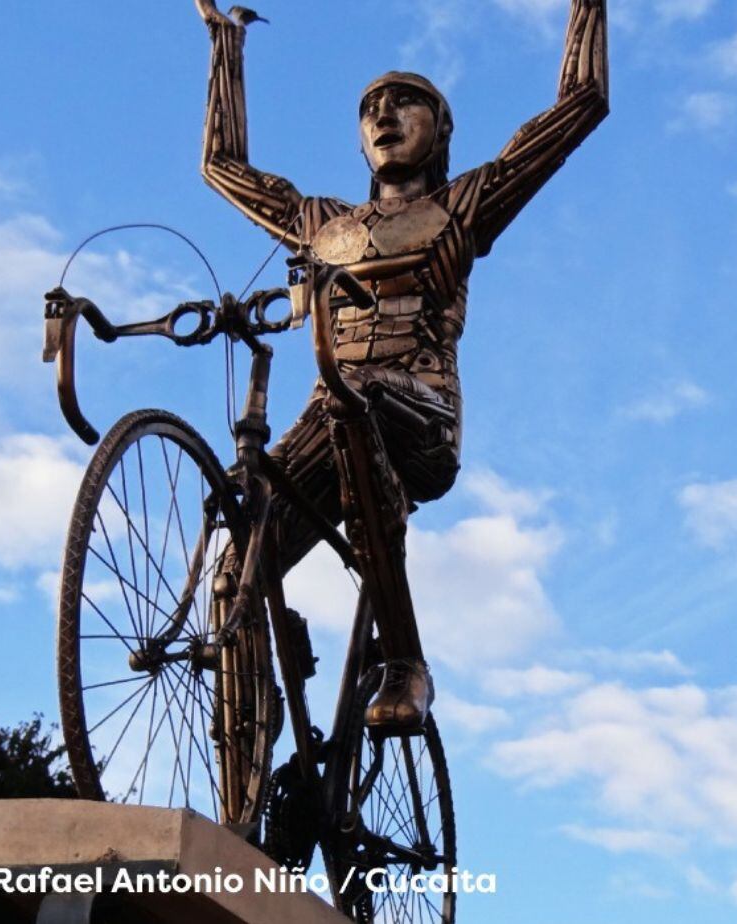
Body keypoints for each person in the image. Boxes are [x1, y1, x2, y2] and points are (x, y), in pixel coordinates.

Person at [195, 0, 609, 733]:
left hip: (420, 413)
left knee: (356, 397)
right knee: (237, 564)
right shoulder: (325, 224)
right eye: (370, 109)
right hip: (332, 420)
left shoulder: (463, 205)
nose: (383, 115)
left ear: (441, 130)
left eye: (405, 102)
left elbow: (578, 107)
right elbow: (223, 168)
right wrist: (225, 46)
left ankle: (404, 660)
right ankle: (248, 758)